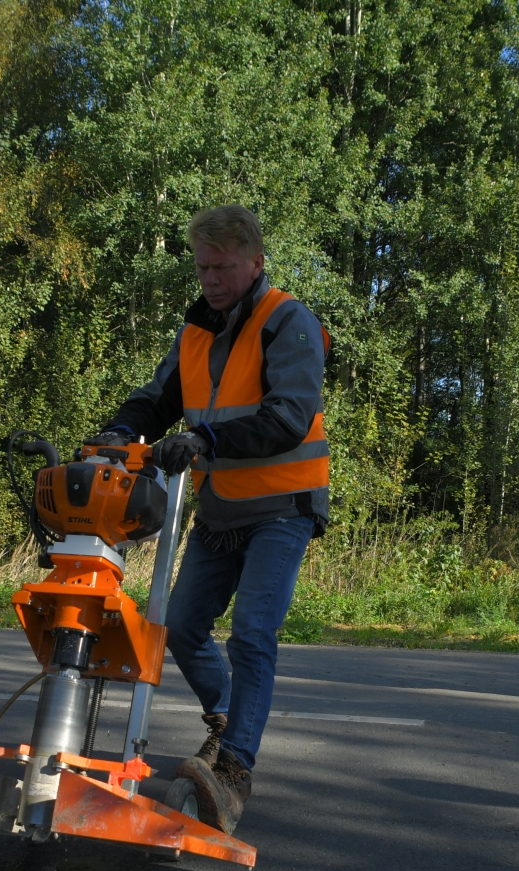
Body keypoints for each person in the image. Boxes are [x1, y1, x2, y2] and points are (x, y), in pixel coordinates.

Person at [94, 204, 329, 833]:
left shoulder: (289, 321)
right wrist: (122, 430)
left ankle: (234, 768)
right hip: (221, 508)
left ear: (256, 262)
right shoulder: (195, 331)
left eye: (223, 267)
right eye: (203, 269)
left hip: (283, 506)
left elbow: (288, 415)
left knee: (252, 632)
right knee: (181, 627)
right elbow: (158, 398)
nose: (212, 280)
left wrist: (205, 442)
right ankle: (229, 719)